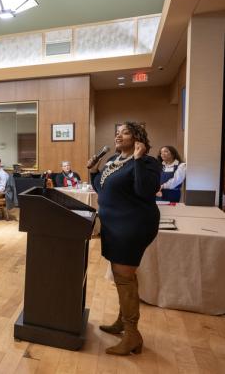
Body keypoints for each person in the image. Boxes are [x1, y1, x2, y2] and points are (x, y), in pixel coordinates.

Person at [88, 121, 160, 356]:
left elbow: (144, 190)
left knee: (125, 277)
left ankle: (132, 335)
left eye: (125, 132)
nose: (119, 136)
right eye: (117, 132)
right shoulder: (112, 161)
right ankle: (123, 322)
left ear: (138, 138)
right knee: (123, 276)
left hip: (132, 225)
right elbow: (102, 189)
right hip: (113, 225)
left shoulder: (148, 163)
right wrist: (93, 171)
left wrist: (138, 159)